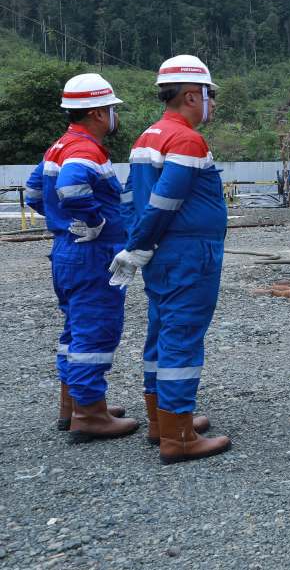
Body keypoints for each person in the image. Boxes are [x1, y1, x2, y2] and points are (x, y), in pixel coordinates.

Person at [110, 54, 229, 464]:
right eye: (209, 95)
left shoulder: (146, 138)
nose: (211, 103)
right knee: (182, 337)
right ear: (193, 96)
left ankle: (161, 420)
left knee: (162, 331)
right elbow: (166, 200)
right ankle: (178, 435)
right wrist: (142, 239)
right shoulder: (186, 139)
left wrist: (137, 243)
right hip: (188, 253)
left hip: (163, 252)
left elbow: (130, 198)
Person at [25, 73, 138, 442]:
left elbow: (33, 194)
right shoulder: (85, 150)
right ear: (96, 113)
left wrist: (61, 223)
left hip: (67, 252)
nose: (113, 116)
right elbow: (72, 188)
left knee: (75, 330)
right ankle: (89, 415)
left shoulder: (57, 147)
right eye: (110, 109)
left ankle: (74, 404)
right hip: (92, 253)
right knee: (96, 329)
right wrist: (94, 219)